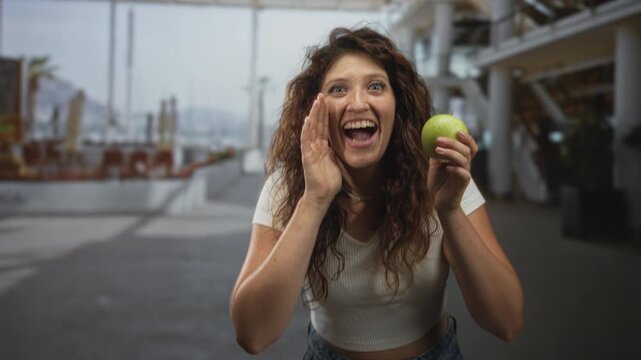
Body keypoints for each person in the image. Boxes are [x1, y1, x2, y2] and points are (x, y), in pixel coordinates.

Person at [230, 26, 523, 360]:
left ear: (397, 107)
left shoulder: (442, 176)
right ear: (314, 111)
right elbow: (252, 334)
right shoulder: (288, 186)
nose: (358, 102)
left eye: (376, 86)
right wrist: (315, 199)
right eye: (339, 89)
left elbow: (507, 322)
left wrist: (450, 211)